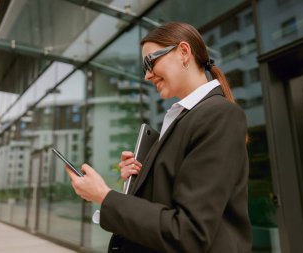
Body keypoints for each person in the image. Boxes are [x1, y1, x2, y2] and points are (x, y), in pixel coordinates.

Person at [65, 22, 252, 253]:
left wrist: (105, 197)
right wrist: (136, 183)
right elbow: (165, 207)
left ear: (184, 52)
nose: (146, 75)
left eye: (150, 62)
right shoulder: (183, 118)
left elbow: (188, 233)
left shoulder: (219, 115)